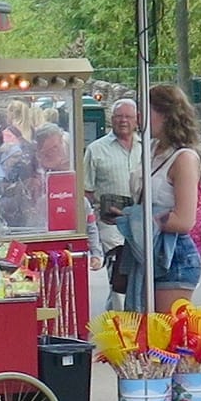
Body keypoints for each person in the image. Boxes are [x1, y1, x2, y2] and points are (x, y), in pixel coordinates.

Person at [118, 84, 201, 314]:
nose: (140, 118)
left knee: (165, 336)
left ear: (165, 115)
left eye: (146, 111)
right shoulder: (152, 149)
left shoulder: (183, 158)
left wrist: (138, 219)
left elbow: (185, 220)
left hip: (172, 255)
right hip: (146, 251)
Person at [83, 98, 142, 304]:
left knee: (140, 276)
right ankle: (119, 325)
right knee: (118, 275)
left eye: (128, 117)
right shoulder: (96, 150)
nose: (123, 121)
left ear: (137, 120)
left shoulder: (149, 148)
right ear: (111, 119)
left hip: (142, 223)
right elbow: (86, 191)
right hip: (111, 225)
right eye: (118, 117)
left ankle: (132, 318)